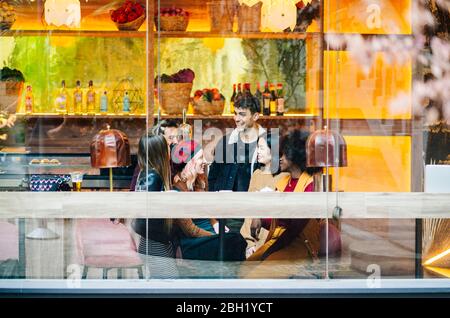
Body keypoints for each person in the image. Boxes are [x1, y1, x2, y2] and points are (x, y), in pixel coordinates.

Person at [246, 130, 323, 264]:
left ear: (296, 157)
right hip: (279, 240)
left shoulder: (309, 184)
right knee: (246, 267)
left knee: (260, 272)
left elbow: (295, 227)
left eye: (284, 154)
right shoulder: (283, 182)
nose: (279, 158)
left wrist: (270, 250)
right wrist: (260, 219)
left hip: (299, 245)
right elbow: (279, 221)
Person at [171, 139, 247, 261]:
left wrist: (215, 224)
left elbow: (207, 213)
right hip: (193, 242)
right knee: (235, 241)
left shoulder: (201, 181)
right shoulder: (176, 191)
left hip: (209, 236)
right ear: (189, 162)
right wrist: (218, 236)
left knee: (236, 239)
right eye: (201, 157)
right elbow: (191, 230)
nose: (205, 161)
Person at [208, 95, 266, 233]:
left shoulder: (267, 144)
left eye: (242, 114)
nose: (236, 118)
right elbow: (212, 180)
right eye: (235, 113)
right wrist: (214, 220)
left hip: (254, 218)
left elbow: (273, 185)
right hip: (226, 218)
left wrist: (258, 217)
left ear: (256, 116)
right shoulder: (224, 142)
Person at [131, 132, 179, 278]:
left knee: (160, 281)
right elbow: (147, 209)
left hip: (152, 240)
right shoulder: (152, 176)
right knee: (170, 281)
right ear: (161, 153)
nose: (170, 151)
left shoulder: (148, 174)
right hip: (154, 241)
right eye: (167, 147)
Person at [129, 119, 180, 191]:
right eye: (170, 138)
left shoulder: (171, 158)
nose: (176, 142)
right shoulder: (151, 174)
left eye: (177, 137)